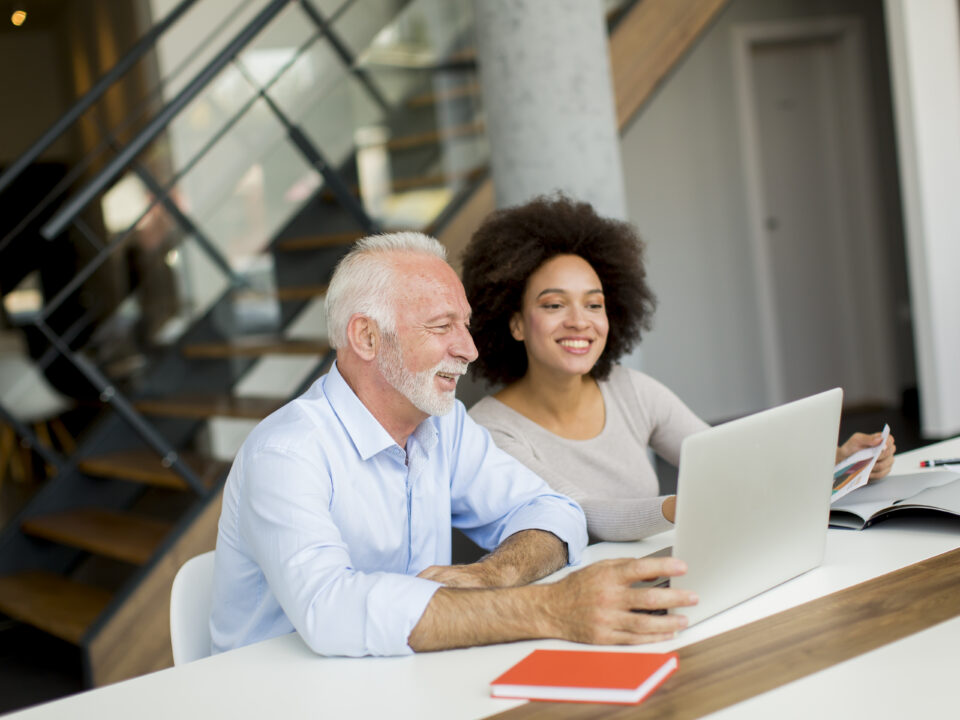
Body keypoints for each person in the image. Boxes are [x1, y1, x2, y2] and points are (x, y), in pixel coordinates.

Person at [209, 231, 699, 658]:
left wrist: (495, 576)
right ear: (366, 337)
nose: (469, 349)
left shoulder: (444, 424)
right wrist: (551, 608)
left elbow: (553, 510)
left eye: (463, 325)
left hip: (402, 680)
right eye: (442, 327)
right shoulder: (287, 452)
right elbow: (330, 610)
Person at [463, 195, 896, 542]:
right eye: (554, 305)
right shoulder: (490, 430)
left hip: (658, 574)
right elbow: (582, 512)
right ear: (515, 322)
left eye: (594, 304)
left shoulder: (628, 389)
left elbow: (726, 459)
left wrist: (833, 463)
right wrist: (683, 505)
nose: (580, 321)